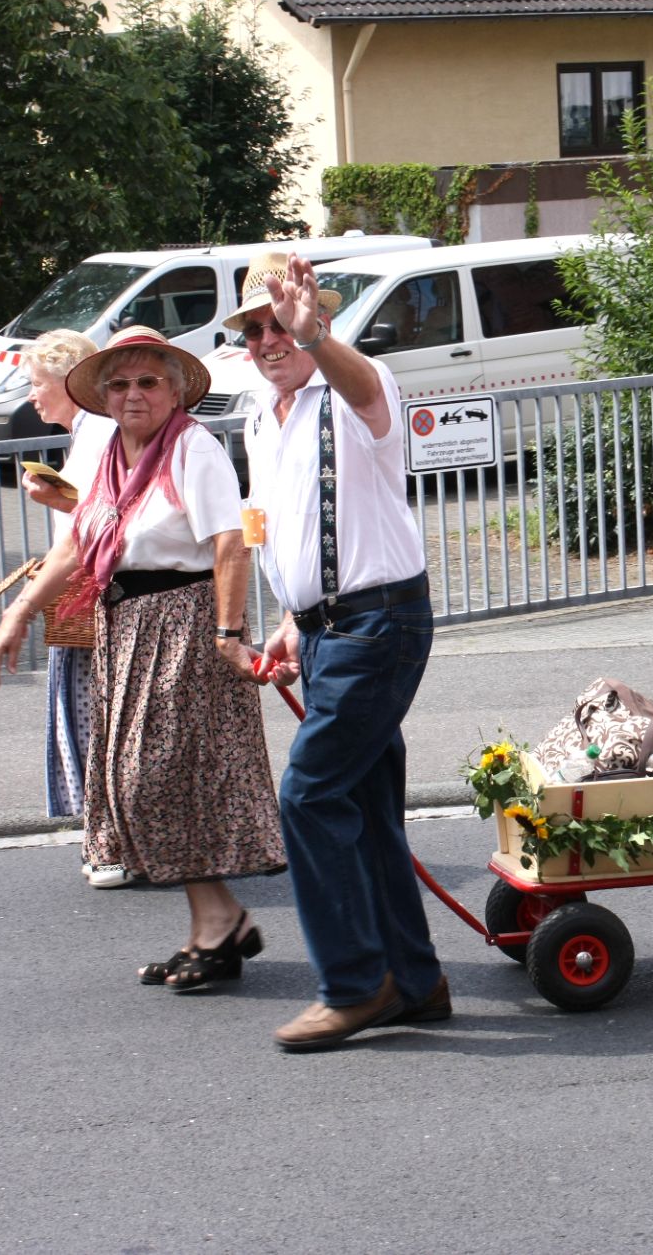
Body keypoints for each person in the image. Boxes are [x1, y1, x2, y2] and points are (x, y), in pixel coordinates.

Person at [0, 326, 285, 993]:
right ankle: (217, 924)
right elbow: (75, 545)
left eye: (148, 381)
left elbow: (231, 543)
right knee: (135, 786)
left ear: (174, 390)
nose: (132, 394)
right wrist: (17, 614)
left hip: (186, 622)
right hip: (125, 624)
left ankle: (222, 922)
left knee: (153, 779)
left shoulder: (193, 448)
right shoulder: (110, 456)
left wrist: (231, 632)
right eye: (119, 384)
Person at [229, 250, 450, 1051]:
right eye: (253, 329)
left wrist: (314, 333)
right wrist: (292, 619)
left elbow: (363, 390)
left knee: (309, 797)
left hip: (379, 625)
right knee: (362, 806)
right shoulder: (262, 412)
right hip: (327, 629)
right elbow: (279, 522)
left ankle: (357, 983)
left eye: (275, 322)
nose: (267, 339)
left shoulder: (356, 385)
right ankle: (417, 982)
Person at [13, 330, 128, 887]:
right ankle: (108, 840)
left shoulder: (100, 432)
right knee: (90, 724)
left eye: (37, 383)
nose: (32, 395)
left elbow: (106, 518)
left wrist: (54, 499)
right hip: (83, 600)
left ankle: (112, 844)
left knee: (95, 725)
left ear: (66, 381)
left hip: (97, 604)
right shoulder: (91, 433)